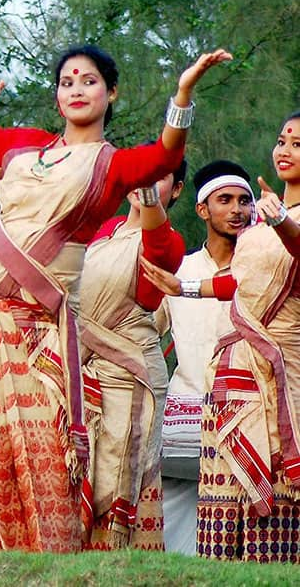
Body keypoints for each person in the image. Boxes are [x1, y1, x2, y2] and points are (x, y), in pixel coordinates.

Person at [0, 24, 230, 551]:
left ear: (111, 92)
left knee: (42, 440)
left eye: (89, 81)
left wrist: (182, 94)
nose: (76, 89)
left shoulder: (112, 164)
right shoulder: (21, 146)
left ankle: (48, 554)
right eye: (66, 81)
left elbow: (164, 158)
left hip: (39, 324)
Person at [141, 111, 300, 562]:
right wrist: (181, 287)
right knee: (213, 507)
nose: (285, 150)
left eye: (298, 144)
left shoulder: (275, 223)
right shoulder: (253, 236)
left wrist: (283, 221)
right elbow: (239, 284)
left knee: (273, 491)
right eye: (282, 139)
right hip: (219, 390)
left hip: (276, 377)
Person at [78, 160, 186, 550]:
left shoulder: (166, 243)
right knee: (79, 469)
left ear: (176, 192)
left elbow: (156, 243)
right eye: (141, 175)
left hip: (131, 374)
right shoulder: (104, 232)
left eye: (159, 177)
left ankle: (117, 565)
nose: (145, 184)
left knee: (119, 472)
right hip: (83, 370)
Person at [155, 160, 253, 555]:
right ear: (202, 209)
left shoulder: (263, 268)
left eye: (244, 201)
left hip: (247, 414)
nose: (237, 210)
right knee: (173, 517)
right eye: (225, 200)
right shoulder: (179, 270)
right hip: (186, 415)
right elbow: (144, 330)